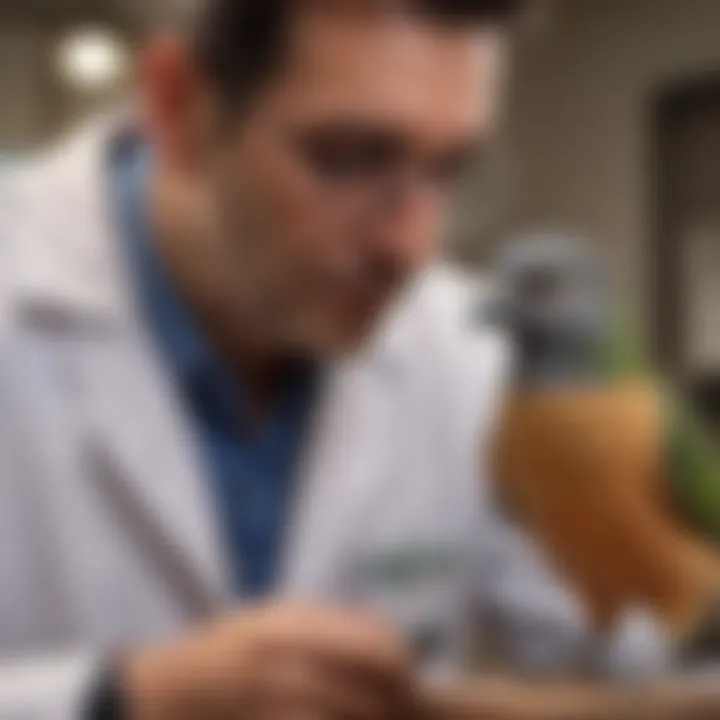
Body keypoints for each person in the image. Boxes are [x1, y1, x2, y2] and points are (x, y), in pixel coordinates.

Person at [1, 1, 720, 718]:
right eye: (347, 158)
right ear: (179, 107)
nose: (412, 250)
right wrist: (119, 696)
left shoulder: (464, 358)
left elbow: (606, 634)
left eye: (451, 172)